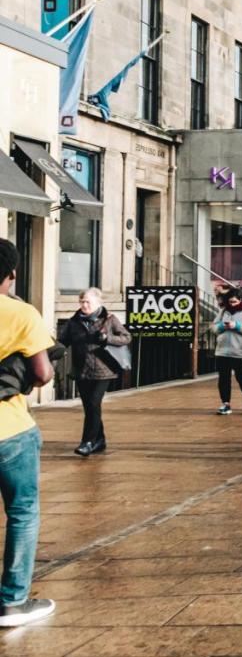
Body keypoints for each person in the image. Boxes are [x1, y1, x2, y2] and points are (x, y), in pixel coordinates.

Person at [0, 238, 56, 627]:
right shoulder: (21, 314)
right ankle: (13, 601)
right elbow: (42, 374)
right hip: (10, 429)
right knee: (21, 511)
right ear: (12, 273)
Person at [58, 288, 131, 457]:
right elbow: (62, 342)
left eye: (87, 302)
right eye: (82, 302)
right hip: (82, 371)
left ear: (98, 303)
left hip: (103, 370)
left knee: (93, 404)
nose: (84, 305)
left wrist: (108, 339)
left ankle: (88, 442)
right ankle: (100, 439)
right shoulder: (73, 322)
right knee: (90, 407)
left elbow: (126, 337)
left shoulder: (109, 319)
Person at [213, 288, 242, 415]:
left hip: (239, 352)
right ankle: (226, 404)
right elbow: (214, 328)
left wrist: (237, 326)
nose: (232, 304)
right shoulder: (223, 311)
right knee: (223, 379)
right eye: (229, 302)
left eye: (234, 302)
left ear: (241, 300)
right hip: (222, 352)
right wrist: (223, 326)